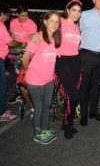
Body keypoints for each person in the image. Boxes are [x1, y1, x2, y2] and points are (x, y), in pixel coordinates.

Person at [22, 11, 61, 145]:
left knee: (47, 105)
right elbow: (25, 57)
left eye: (57, 21)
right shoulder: (38, 38)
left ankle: (44, 129)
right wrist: (27, 72)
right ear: (45, 22)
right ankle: (37, 134)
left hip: (48, 79)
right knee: (39, 107)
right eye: (51, 20)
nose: (54, 24)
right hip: (35, 80)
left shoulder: (56, 39)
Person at [54, 0, 82, 139]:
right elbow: (46, 33)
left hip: (76, 61)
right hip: (62, 61)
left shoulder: (77, 27)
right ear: (68, 10)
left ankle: (66, 123)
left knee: (73, 96)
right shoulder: (59, 22)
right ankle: (68, 124)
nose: (76, 14)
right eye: (74, 10)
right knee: (72, 96)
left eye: (79, 11)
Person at [8, 5, 37, 119]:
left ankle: (31, 100)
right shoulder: (13, 22)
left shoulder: (31, 24)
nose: (25, 18)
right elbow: (12, 38)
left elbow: (33, 42)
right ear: (17, 15)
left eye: (26, 15)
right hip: (15, 53)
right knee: (17, 77)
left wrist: (25, 54)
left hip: (26, 55)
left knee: (26, 78)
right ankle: (19, 95)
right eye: (22, 15)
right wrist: (11, 53)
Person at [0, 3, 24, 122]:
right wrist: (21, 44)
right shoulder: (0, 25)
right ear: (2, 14)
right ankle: (2, 113)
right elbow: (10, 43)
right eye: (6, 15)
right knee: (2, 86)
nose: (7, 18)